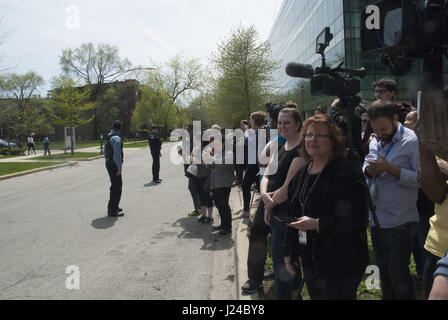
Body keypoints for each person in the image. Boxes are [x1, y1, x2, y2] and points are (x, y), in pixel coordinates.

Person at [285, 114, 369, 300]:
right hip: (310, 258)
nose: (313, 140)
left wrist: (318, 224)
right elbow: (294, 215)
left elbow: (359, 218)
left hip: (342, 261)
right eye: (309, 135)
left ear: (334, 141)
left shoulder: (346, 171)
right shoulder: (302, 172)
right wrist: (289, 252)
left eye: (320, 135)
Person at [363, 100, 420, 300]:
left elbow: (421, 179)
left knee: (400, 276)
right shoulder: (375, 139)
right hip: (377, 218)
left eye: (384, 128)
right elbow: (366, 164)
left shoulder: (411, 141)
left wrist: (391, 170)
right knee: (384, 273)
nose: (380, 133)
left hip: (400, 221)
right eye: (376, 129)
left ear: (396, 119)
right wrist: (369, 170)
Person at [247, 108, 306, 300]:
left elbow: (286, 190)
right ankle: (294, 292)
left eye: (286, 123)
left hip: (287, 214)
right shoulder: (283, 146)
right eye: (279, 123)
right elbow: (266, 173)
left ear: (298, 124)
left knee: (283, 263)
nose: (281, 127)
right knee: (283, 260)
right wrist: (264, 197)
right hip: (273, 208)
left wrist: (269, 203)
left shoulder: (301, 150)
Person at [404, 111, 435, 283]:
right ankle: (422, 272)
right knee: (417, 242)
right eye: (407, 119)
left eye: (411, 120)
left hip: (428, 204)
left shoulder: (430, 144)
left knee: (426, 243)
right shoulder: (408, 143)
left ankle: (426, 274)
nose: (407, 122)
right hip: (415, 203)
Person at [361, 78, 413, 156]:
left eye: (382, 91)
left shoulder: (403, 112)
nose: (378, 95)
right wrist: (371, 141)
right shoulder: (372, 115)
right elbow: (364, 148)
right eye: (376, 91)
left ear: (392, 93)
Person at [240, 112, 266, 218]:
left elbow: (246, 142)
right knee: (260, 187)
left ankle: (247, 210)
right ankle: (257, 210)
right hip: (258, 163)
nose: (250, 121)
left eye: (251, 119)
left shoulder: (258, 132)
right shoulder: (262, 131)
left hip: (257, 164)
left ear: (254, 120)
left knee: (245, 185)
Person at [209, 131, 235, 236]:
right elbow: (213, 166)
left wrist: (213, 160)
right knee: (218, 204)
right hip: (216, 181)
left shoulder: (228, 153)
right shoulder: (218, 152)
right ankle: (223, 224)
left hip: (224, 182)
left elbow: (226, 165)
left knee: (223, 205)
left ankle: (228, 227)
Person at [104, 120, 124, 217]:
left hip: (109, 162)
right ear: (120, 129)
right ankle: (112, 210)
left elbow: (105, 151)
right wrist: (119, 168)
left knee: (114, 185)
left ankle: (114, 206)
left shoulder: (108, 136)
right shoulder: (116, 138)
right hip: (114, 164)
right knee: (117, 187)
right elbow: (117, 155)